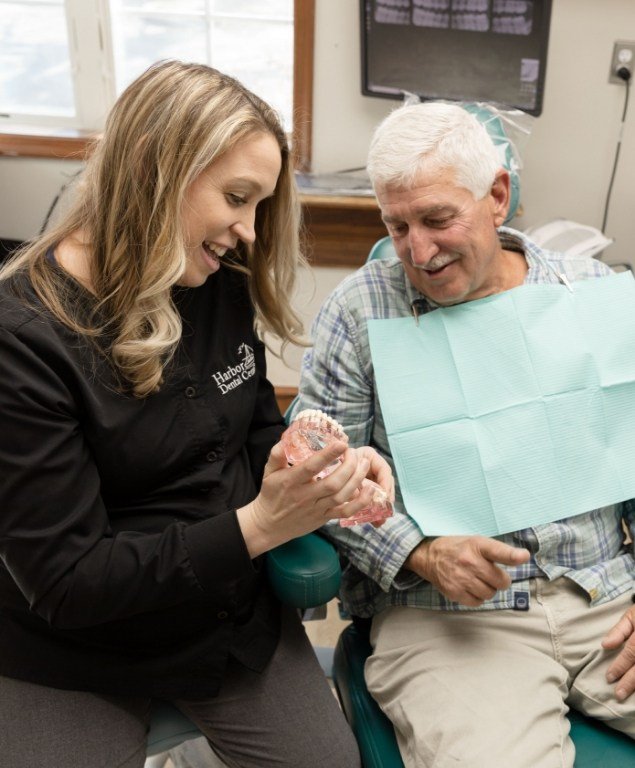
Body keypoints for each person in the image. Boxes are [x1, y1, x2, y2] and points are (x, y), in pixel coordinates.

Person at [0, 60, 394, 768]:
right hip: (71, 645)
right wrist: (261, 525)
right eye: (236, 197)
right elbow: (67, 580)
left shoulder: (211, 281)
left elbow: (250, 426)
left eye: (258, 205)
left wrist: (313, 464)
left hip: (221, 619)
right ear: (156, 170)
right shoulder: (22, 341)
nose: (246, 230)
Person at [293, 101, 635, 768]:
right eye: (396, 227)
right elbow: (317, 477)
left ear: (496, 196)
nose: (417, 252)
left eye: (436, 220)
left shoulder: (593, 295)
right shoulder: (359, 312)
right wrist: (418, 551)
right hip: (448, 617)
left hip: (605, 593)